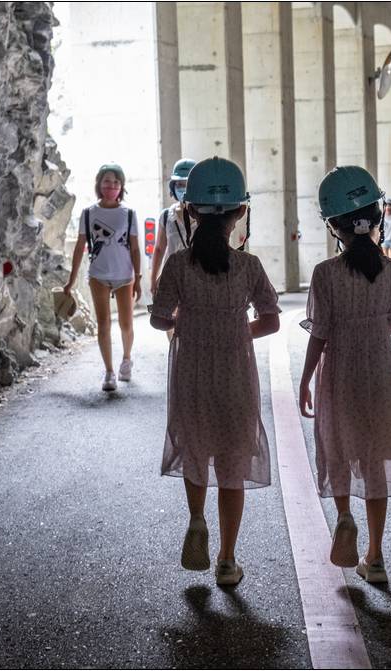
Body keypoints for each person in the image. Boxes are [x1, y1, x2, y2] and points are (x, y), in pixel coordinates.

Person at [150, 156, 281, 588]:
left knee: (196, 448)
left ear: (188, 210)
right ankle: (227, 558)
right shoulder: (249, 266)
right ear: (240, 212)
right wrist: (235, 328)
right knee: (232, 460)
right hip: (235, 374)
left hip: (190, 372)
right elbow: (272, 319)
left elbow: (158, 318)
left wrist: (184, 323)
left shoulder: (177, 266)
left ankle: (195, 519)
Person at [298, 166, 391, 584]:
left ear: (333, 225)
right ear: (378, 217)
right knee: (374, 459)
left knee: (339, 448)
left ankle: (345, 515)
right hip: (381, 372)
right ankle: (376, 555)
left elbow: (319, 332)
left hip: (340, 372)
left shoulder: (325, 274)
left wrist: (304, 380)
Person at [64, 163, 143, 392]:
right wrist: (70, 281)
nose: (111, 186)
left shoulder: (128, 214)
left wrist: (137, 278)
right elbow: (80, 248)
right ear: (99, 184)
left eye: (116, 182)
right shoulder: (88, 213)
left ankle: (126, 360)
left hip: (124, 276)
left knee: (126, 324)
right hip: (98, 275)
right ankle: (109, 372)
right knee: (103, 324)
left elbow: (135, 249)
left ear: (122, 187)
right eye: (107, 181)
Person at [150, 158, 197, 342]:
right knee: (170, 320)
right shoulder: (166, 216)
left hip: (197, 275)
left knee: (193, 319)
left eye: (187, 184)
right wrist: (154, 278)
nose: (183, 188)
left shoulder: (203, 213)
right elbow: (159, 248)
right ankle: (176, 355)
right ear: (172, 186)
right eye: (179, 184)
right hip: (171, 277)